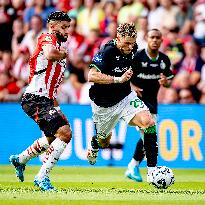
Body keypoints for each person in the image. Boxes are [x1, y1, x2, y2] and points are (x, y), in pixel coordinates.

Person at [87, 23, 159, 183]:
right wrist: (118, 79)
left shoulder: (133, 49)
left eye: (132, 42)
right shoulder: (106, 51)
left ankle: (152, 171)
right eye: (126, 42)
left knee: (148, 122)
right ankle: (95, 143)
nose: (130, 46)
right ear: (117, 38)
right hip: (104, 105)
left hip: (126, 98)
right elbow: (91, 75)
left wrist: (131, 83)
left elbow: (130, 71)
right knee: (104, 141)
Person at [9, 11, 72, 191]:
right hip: (34, 98)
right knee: (65, 133)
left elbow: (51, 85)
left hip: (47, 100)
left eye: (68, 27)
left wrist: (56, 106)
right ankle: (41, 177)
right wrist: (63, 54)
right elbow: (51, 54)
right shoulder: (46, 38)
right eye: (64, 26)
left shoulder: (58, 46)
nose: (67, 31)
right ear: (52, 26)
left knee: (53, 137)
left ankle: (20, 159)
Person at [125, 29, 174, 182]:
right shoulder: (137, 57)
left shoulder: (164, 59)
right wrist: (131, 86)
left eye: (158, 38)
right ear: (147, 38)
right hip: (135, 102)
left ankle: (133, 166)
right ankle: (150, 171)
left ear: (161, 40)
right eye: (152, 37)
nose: (155, 40)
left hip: (152, 103)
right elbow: (123, 74)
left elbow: (168, 81)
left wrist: (166, 83)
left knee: (148, 135)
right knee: (148, 134)